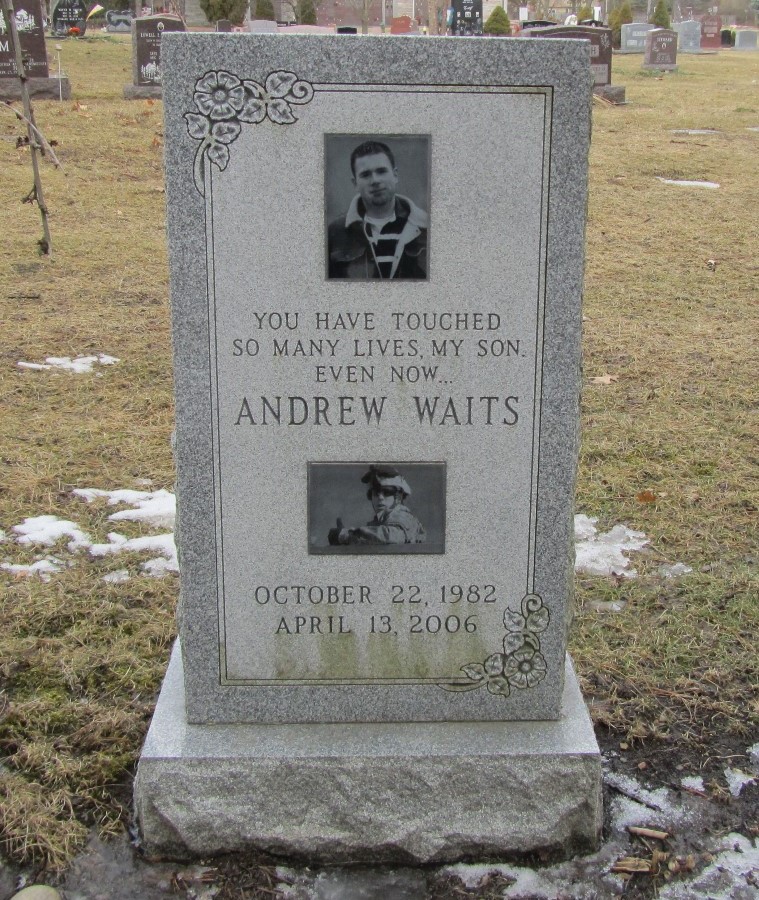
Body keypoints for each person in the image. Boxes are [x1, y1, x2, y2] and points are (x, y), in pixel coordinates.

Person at [327, 140, 428, 280]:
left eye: (381, 171)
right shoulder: (334, 233)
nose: (375, 180)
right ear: (355, 183)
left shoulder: (426, 228)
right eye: (365, 175)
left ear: (395, 175)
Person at [328, 465, 426, 545]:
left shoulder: (403, 516)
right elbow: (372, 543)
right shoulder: (380, 522)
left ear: (398, 497)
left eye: (387, 492)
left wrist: (345, 535)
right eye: (375, 493)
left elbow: (392, 537)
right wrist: (346, 537)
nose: (380, 498)